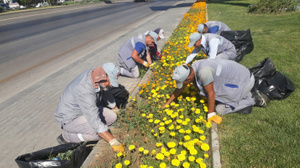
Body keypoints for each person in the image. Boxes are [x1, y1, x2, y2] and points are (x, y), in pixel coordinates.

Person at [162, 59, 269, 124]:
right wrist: (167, 103)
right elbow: (180, 88)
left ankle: (254, 99)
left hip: (243, 81)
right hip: (238, 76)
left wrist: (211, 114)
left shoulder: (203, 72)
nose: (183, 85)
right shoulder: (193, 67)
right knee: (213, 98)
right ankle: (245, 95)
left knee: (220, 109)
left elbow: (211, 93)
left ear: (188, 78)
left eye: (183, 82)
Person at [54, 62, 124, 153]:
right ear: (103, 77)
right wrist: (113, 141)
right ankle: (67, 137)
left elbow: (107, 92)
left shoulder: (96, 76)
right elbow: (93, 119)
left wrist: (114, 108)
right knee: (96, 135)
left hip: (85, 111)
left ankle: (90, 128)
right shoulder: (85, 90)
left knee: (112, 116)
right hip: (70, 118)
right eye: (110, 81)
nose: (111, 85)